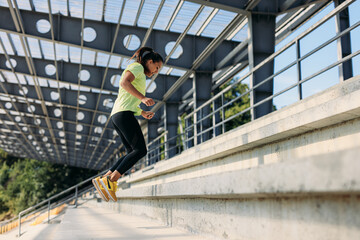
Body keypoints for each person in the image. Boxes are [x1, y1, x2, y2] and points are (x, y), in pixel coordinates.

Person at [92, 47, 163, 202]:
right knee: (140, 150)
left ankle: (104, 178)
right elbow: (124, 83)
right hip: (123, 115)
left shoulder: (140, 74)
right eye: (157, 67)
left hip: (120, 114)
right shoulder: (137, 67)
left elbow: (127, 99)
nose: (156, 71)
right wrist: (143, 98)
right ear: (149, 62)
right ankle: (111, 181)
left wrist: (142, 112)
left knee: (131, 151)